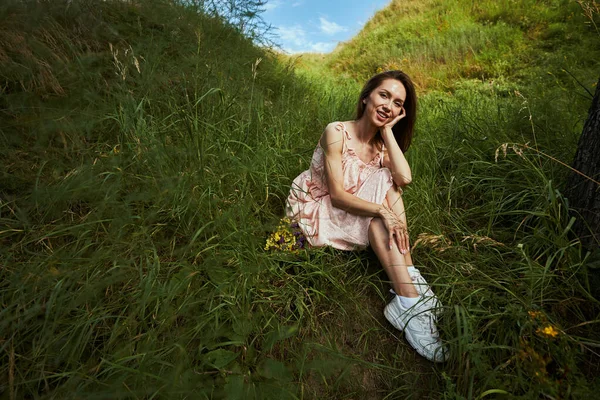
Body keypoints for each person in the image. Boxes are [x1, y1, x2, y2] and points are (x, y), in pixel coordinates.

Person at [286, 70, 447, 362]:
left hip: (351, 206)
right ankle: (410, 298)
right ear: (366, 97)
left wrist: (387, 133)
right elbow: (336, 195)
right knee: (380, 207)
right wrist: (382, 211)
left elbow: (405, 177)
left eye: (398, 103)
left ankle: (408, 282)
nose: (389, 106)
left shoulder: (380, 146)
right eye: (384, 95)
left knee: (390, 181)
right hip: (317, 209)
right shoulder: (336, 132)